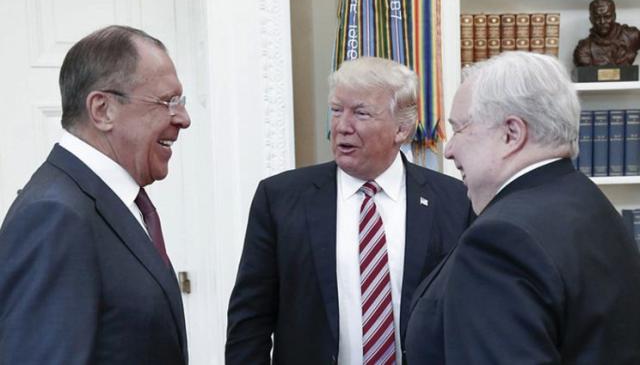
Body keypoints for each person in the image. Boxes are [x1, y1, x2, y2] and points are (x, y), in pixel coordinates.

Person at [226, 56, 474, 365]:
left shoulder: (455, 201)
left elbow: (472, 314)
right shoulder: (279, 199)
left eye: (361, 113)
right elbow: (250, 319)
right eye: (335, 110)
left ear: (402, 128)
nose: (342, 127)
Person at [405, 51, 640, 364]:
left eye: (459, 128)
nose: (448, 150)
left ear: (511, 134)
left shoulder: (502, 240)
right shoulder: (587, 200)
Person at [0, 25, 191, 364]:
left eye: (181, 102)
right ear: (103, 110)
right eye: (167, 101)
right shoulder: (54, 216)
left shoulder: (113, 202)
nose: (183, 118)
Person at [573, 0, 640, 66]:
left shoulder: (631, 36)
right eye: (597, 18)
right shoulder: (584, 50)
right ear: (591, 20)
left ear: (614, 16)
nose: (602, 22)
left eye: (607, 17)